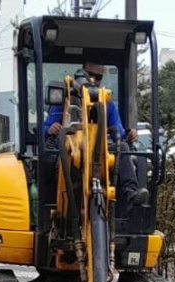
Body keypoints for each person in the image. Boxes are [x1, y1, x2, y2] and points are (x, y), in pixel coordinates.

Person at [44, 60, 149, 208]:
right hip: (71, 154)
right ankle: (66, 206)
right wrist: (51, 129)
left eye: (98, 77)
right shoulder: (66, 100)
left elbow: (117, 131)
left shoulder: (107, 103)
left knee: (123, 147)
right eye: (90, 75)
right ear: (81, 74)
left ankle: (130, 193)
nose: (93, 80)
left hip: (99, 153)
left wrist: (128, 134)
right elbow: (47, 127)